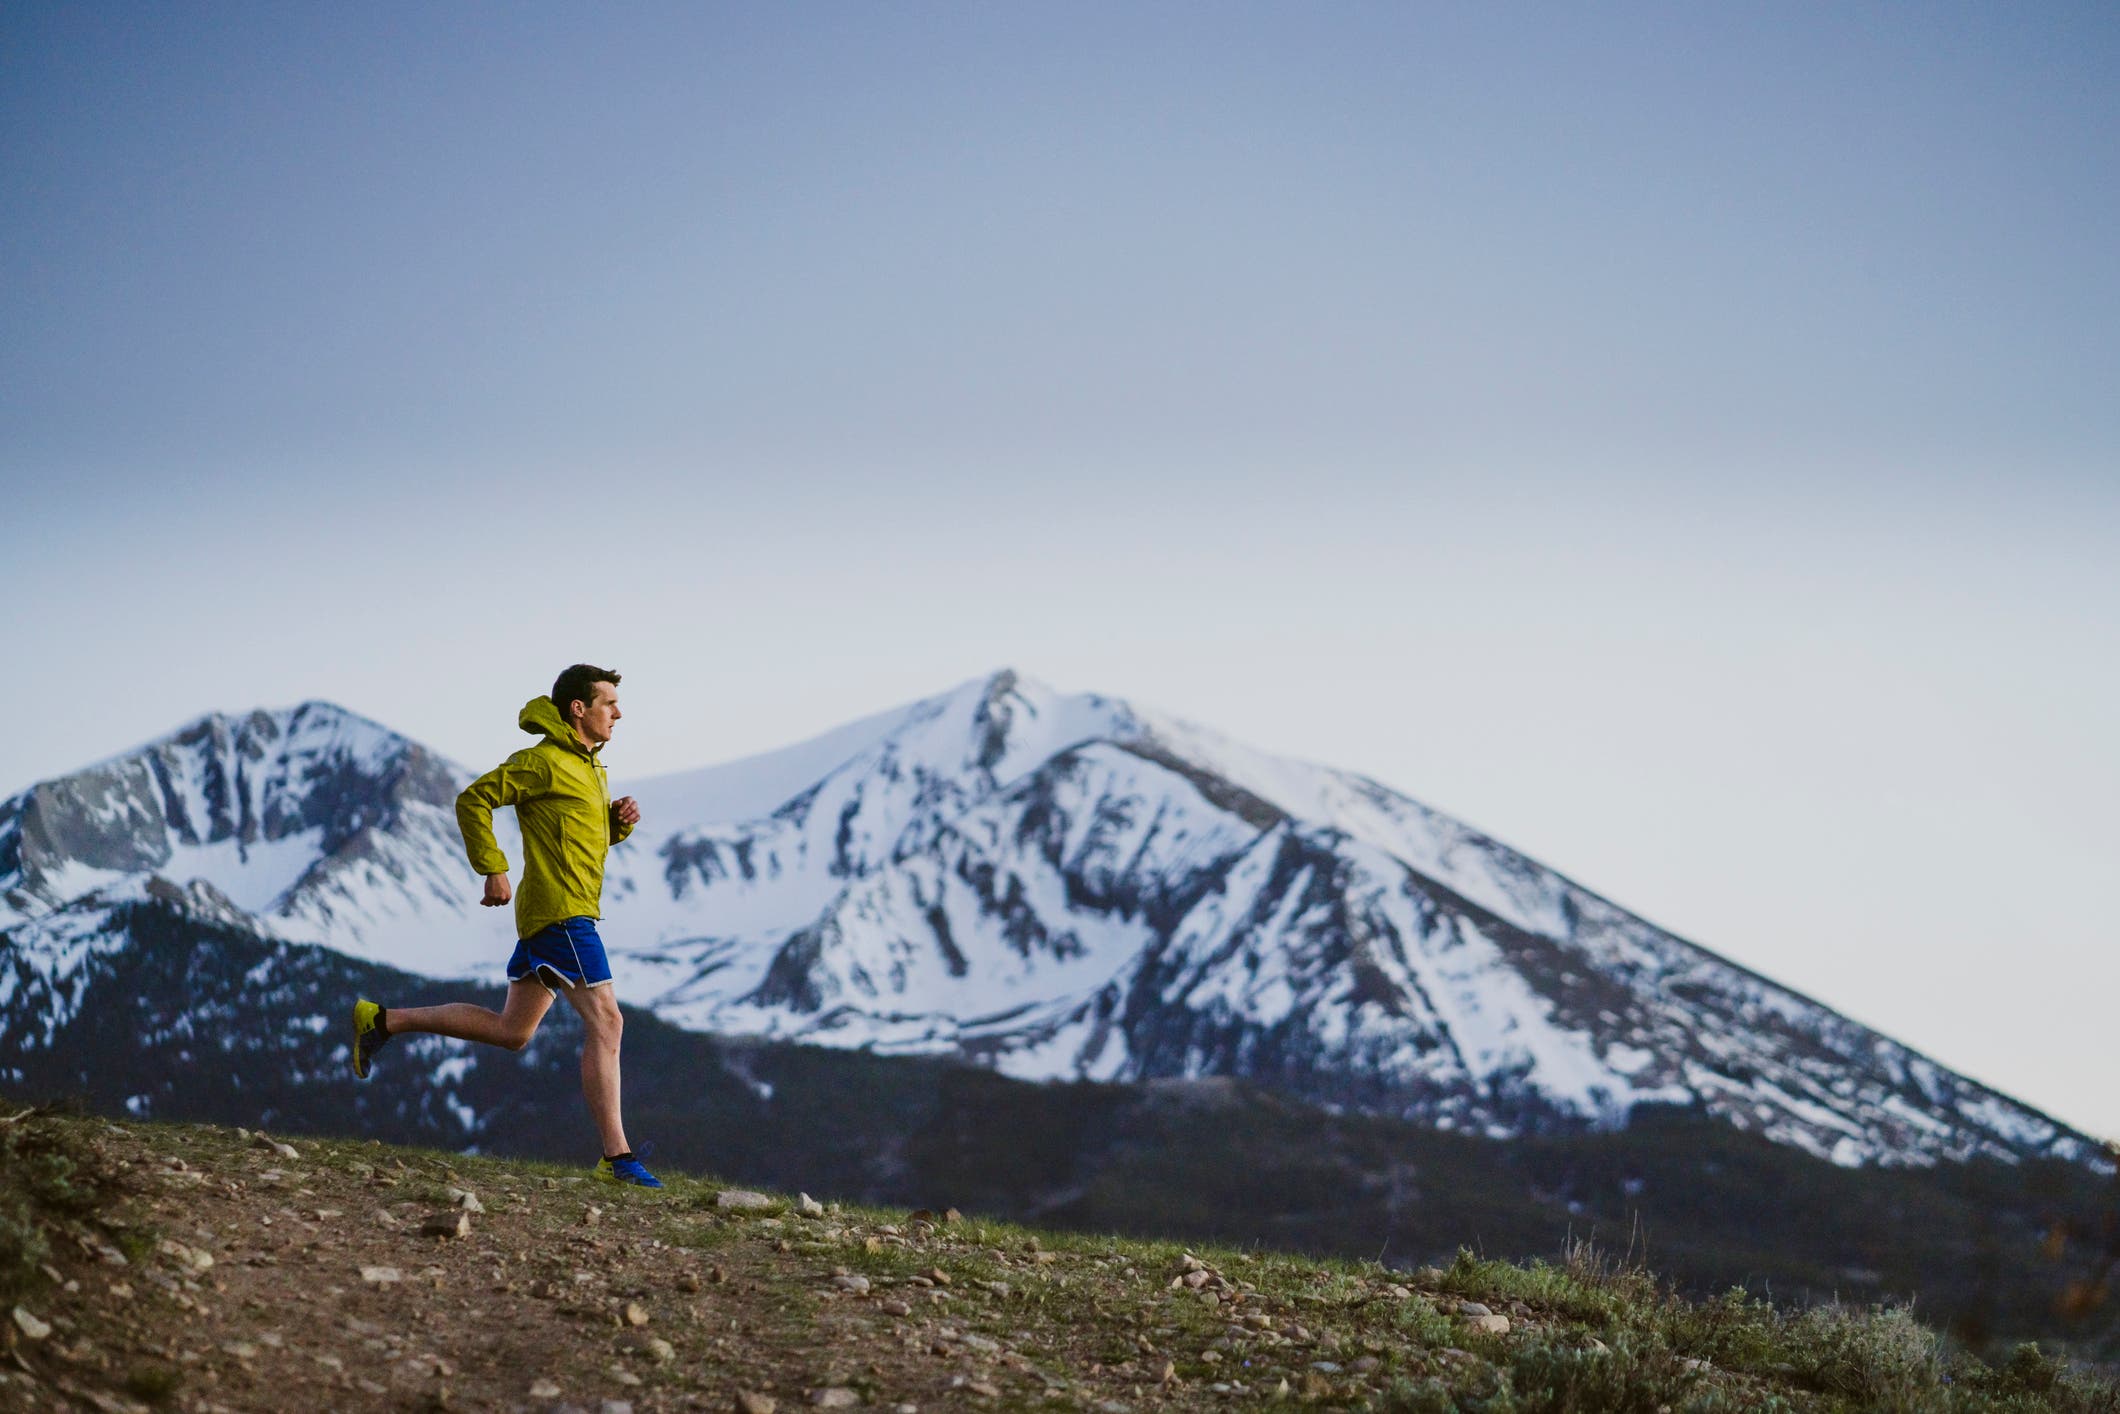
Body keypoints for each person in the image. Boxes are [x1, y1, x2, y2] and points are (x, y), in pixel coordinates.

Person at [349, 664, 660, 1187]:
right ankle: (617, 1157)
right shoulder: (543, 761)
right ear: (578, 709)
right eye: (609, 703)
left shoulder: (590, 768)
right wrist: (493, 867)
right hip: (562, 915)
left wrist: (616, 824)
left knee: (512, 1031)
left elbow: (578, 839)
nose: (619, 713)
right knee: (608, 1023)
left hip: (555, 914)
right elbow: (473, 799)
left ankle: (381, 1021)